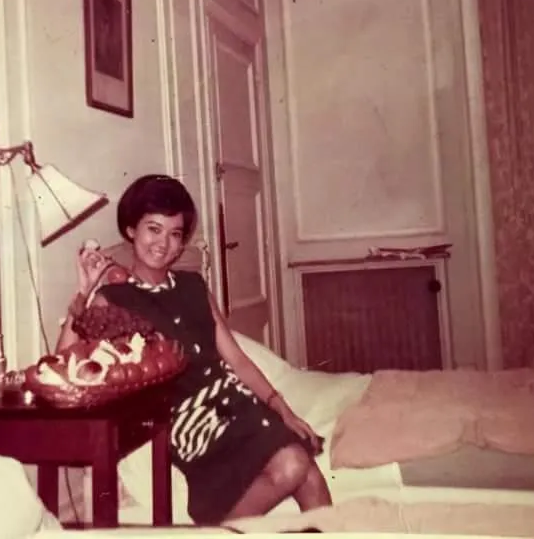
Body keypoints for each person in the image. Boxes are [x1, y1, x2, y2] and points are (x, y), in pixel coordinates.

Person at [56, 174, 332, 525]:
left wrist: (283, 409)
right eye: (153, 229)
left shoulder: (193, 286)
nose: (164, 244)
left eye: (175, 234)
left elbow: (237, 359)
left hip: (237, 405)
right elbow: (62, 364)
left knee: (309, 474)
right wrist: (83, 292)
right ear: (130, 230)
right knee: (293, 464)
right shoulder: (113, 300)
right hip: (191, 422)